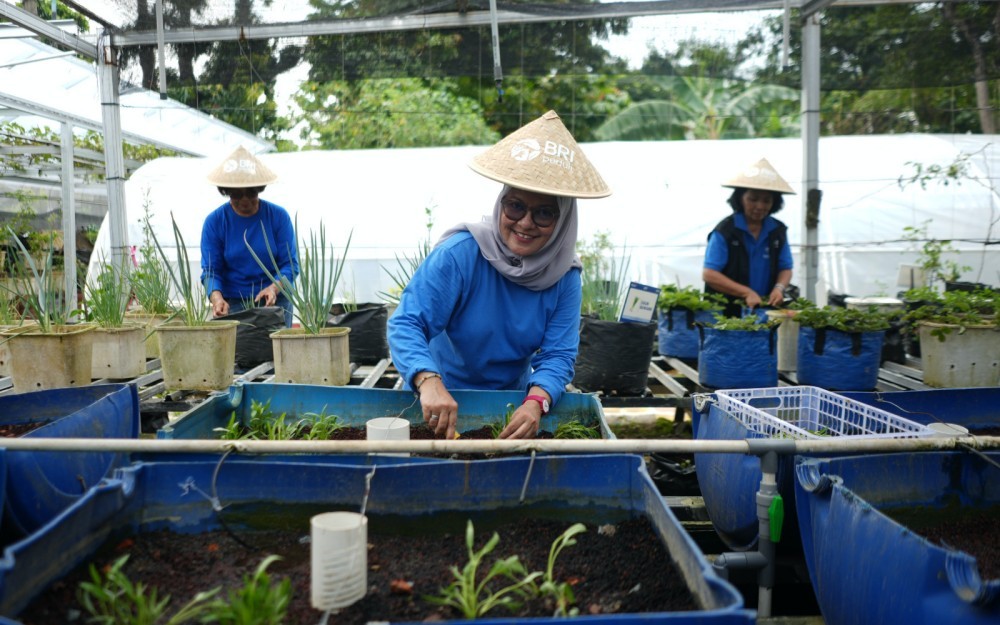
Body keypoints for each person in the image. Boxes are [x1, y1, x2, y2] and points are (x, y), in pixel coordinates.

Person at [387, 110, 611, 440]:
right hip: (437, 397)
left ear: (563, 222)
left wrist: (537, 402)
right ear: (500, 204)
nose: (525, 222)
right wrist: (427, 380)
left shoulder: (564, 277)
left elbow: (558, 355)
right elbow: (407, 323)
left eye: (545, 213)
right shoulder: (461, 253)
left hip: (509, 402)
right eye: (515, 206)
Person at [201, 146, 299, 327]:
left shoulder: (278, 217)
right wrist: (217, 298)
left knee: (275, 352)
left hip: (275, 302)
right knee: (238, 354)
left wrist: (274, 287)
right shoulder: (215, 222)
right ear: (226, 191)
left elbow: (290, 265)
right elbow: (211, 270)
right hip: (234, 303)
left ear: (259, 189)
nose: (245, 200)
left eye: (251, 193)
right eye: (237, 194)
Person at [703, 157, 795, 318]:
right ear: (740, 199)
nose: (760, 206)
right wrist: (746, 292)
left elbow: (785, 268)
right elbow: (710, 274)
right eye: (753, 199)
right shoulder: (725, 231)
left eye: (767, 200)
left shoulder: (777, 231)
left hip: (764, 310)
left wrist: (779, 288)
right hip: (726, 313)